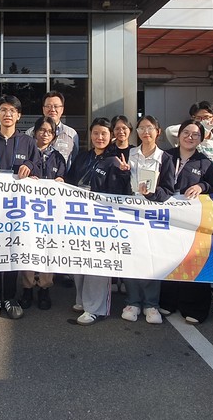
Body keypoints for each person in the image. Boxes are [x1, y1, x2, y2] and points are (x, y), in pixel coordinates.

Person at [0, 94, 42, 320]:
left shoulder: (28, 142)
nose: (7, 114)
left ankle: (11, 298)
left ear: (19, 116)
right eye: (3, 110)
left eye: (12, 111)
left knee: (14, 249)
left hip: (17, 209)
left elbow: (38, 168)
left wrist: (29, 165)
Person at [166, 101, 213, 305]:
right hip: (172, 210)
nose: (190, 136)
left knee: (202, 251)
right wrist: (199, 126)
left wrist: (206, 186)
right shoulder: (171, 153)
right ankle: (170, 297)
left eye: (206, 117)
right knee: (173, 253)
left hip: (207, 206)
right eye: (198, 118)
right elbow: (172, 131)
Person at [65, 117, 131, 325]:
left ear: (111, 136)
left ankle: (96, 308)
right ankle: (82, 300)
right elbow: (69, 181)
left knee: (97, 263)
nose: (99, 137)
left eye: (104, 133)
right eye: (95, 133)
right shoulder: (83, 157)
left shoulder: (115, 161)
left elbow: (120, 193)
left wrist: (124, 174)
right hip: (78, 216)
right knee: (79, 260)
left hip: (102, 220)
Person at [158, 119, 213, 324]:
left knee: (192, 259)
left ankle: (194, 307)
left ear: (201, 139)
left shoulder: (205, 162)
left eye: (195, 134)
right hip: (167, 218)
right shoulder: (165, 156)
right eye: (186, 132)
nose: (190, 137)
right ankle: (168, 301)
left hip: (193, 221)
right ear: (179, 135)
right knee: (169, 258)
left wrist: (202, 186)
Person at [122, 115, 175, 325]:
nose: (145, 132)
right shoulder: (129, 154)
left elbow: (168, 190)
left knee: (151, 258)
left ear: (158, 132)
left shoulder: (166, 158)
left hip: (153, 215)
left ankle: (151, 304)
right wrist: (122, 173)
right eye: (142, 128)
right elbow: (119, 185)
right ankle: (132, 301)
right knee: (131, 256)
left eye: (150, 128)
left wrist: (152, 193)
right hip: (128, 213)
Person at [19, 116, 67, 311]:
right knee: (28, 247)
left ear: (54, 136)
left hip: (50, 213)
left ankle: (45, 288)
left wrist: (61, 181)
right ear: (35, 132)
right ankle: (27, 288)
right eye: (42, 130)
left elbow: (64, 178)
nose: (45, 134)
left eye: (50, 132)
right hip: (28, 212)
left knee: (48, 248)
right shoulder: (26, 154)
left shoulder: (58, 157)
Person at [25, 90, 79, 168]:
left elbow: (74, 161)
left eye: (56, 106)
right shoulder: (30, 133)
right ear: (43, 109)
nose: (52, 110)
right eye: (48, 106)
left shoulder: (71, 134)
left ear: (62, 109)